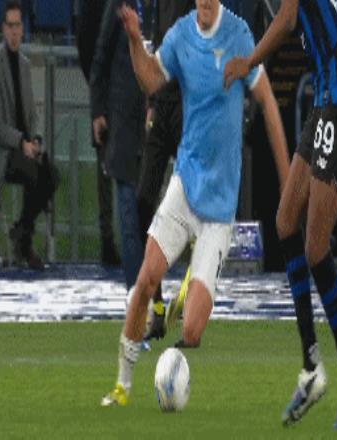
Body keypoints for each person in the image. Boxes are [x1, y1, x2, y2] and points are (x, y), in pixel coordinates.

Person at [101, 0, 290, 407]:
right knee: (145, 281)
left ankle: (189, 287)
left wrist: (287, 180)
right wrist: (134, 39)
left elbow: (268, 104)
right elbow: (150, 81)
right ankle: (122, 385)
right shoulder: (181, 36)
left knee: (192, 332)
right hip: (185, 187)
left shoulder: (238, 35)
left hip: (219, 210)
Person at [224, 0, 337, 429]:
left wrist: (248, 62)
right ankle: (311, 367)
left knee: (315, 247)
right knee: (284, 221)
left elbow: (287, 19)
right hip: (331, 99)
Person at [0, 0, 58, 270]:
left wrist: (36, 139)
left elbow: (33, 114)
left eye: (18, 25)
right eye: (11, 25)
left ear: (22, 29)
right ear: (3, 29)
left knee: (51, 174)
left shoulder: (26, 65)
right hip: (6, 152)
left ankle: (21, 231)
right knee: (33, 172)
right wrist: (21, 142)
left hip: (26, 147)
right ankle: (24, 243)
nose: (15, 31)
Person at [138, 0, 195, 342]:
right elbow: (157, 41)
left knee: (193, 200)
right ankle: (157, 307)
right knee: (144, 201)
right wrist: (151, 101)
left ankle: (192, 287)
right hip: (162, 105)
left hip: (188, 105)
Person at [90, 0, 145, 290]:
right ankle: (135, 295)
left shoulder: (162, 8)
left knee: (146, 212)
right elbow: (100, 58)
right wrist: (98, 111)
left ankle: (147, 292)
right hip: (122, 121)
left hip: (151, 122)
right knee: (127, 210)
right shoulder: (118, 4)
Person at [76, 0, 121, 267]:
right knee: (104, 171)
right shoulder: (92, 6)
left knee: (133, 171)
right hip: (105, 96)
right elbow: (85, 45)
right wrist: (98, 90)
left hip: (128, 94)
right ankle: (107, 240)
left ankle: (134, 238)